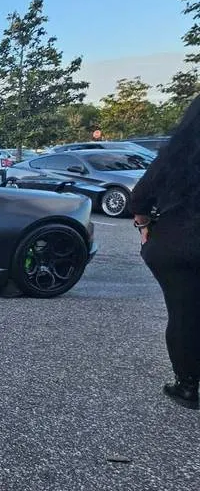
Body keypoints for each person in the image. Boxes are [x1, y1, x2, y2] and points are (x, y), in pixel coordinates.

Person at [130, 94, 200, 410]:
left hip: (177, 244)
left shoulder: (177, 154)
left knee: (183, 314)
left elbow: (140, 199)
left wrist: (144, 227)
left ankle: (187, 386)